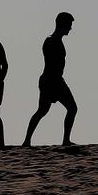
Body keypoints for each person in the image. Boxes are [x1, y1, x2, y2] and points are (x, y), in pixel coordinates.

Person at [23, 11, 77, 146]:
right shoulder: (51, 41)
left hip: (55, 80)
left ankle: (65, 140)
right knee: (44, 110)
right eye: (69, 25)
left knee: (68, 109)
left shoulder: (56, 41)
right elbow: (52, 63)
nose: (70, 28)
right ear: (62, 25)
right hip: (51, 81)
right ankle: (27, 140)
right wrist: (53, 83)